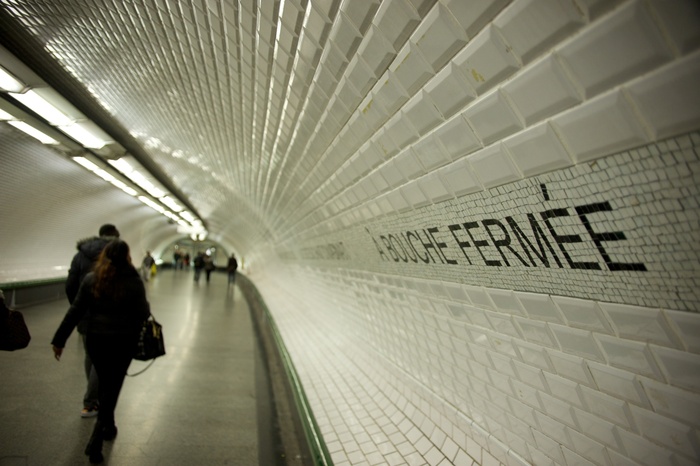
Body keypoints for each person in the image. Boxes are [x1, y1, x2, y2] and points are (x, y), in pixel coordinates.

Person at [52, 239, 150, 464]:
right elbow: (143, 312)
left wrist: (59, 340)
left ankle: (110, 423)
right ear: (127, 257)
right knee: (113, 387)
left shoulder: (92, 279)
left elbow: (75, 311)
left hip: (96, 341)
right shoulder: (133, 281)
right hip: (123, 342)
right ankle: (96, 439)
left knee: (106, 384)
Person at [65, 223, 120, 418]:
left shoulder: (80, 255)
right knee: (102, 358)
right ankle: (90, 402)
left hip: (85, 315)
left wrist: (78, 307)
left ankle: (94, 397)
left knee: (90, 355)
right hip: (108, 316)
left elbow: (70, 285)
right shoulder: (115, 254)